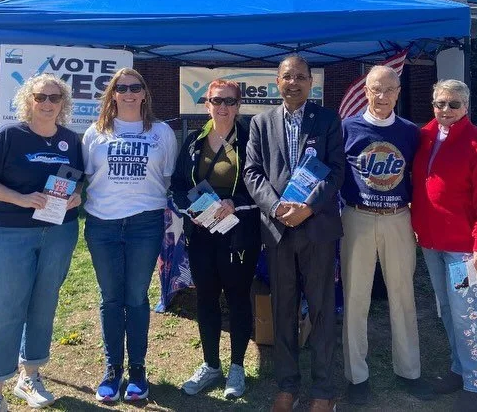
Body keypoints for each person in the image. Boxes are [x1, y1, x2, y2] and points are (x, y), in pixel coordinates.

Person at [0, 73, 83, 412]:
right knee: (4, 307)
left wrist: (74, 200)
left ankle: (29, 376)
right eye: (40, 97)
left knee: (43, 303)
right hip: (8, 231)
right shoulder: (9, 135)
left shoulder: (71, 140)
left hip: (57, 232)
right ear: (29, 101)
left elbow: (76, 187)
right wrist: (22, 199)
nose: (47, 103)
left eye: (54, 97)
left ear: (63, 103)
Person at [244, 55, 345, 412]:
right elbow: (252, 173)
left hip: (316, 229)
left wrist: (308, 207)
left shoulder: (329, 120)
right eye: (288, 76)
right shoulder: (260, 122)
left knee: (320, 311)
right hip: (278, 231)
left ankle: (323, 390)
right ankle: (287, 385)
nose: (294, 82)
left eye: (301, 77)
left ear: (311, 82)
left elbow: (336, 171)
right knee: (282, 309)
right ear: (277, 81)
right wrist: (276, 208)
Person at [339, 65, 434, 405]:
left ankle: (409, 371)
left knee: (403, 296)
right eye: (376, 89)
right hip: (357, 218)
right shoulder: (347, 128)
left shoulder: (411, 132)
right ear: (366, 91)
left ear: (398, 92)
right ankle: (356, 376)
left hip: (398, 218)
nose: (382, 96)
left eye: (389, 90)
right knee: (355, 298)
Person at [82, 68, 178, 403]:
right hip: (102, 224)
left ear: (144, 93)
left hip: (144, 225)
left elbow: (167, 179)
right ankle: (112, 370)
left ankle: (137, 370)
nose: (128, 92)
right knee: (110, 298)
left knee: (136, 297)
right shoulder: (94, 133)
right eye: (121, 88)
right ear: (112, 93)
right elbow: (86, 178)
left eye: (135, 87)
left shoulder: (162, 132)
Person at [411, 79, 477, 412]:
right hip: (431, 244)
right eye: (440, 104)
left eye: (453, 104)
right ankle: (458, 367)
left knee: (466, 315)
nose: (446, 110)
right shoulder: (422, 137)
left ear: (466, 106)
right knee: (448, 311)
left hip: (465, 250)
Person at [171, 79, 261, 400]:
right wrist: (190, 209)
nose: (223, 107)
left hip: (239, 233)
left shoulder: (251, 139)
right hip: (202, 233)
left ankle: (237, 366)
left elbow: (262, 185)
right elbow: (179, 185)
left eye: (230, 101)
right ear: (206, 104)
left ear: (238, 106)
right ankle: (211, 364)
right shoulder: (194, 141)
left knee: (237, 297)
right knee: (206, 298)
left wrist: (236, 202)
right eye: (216, 101)